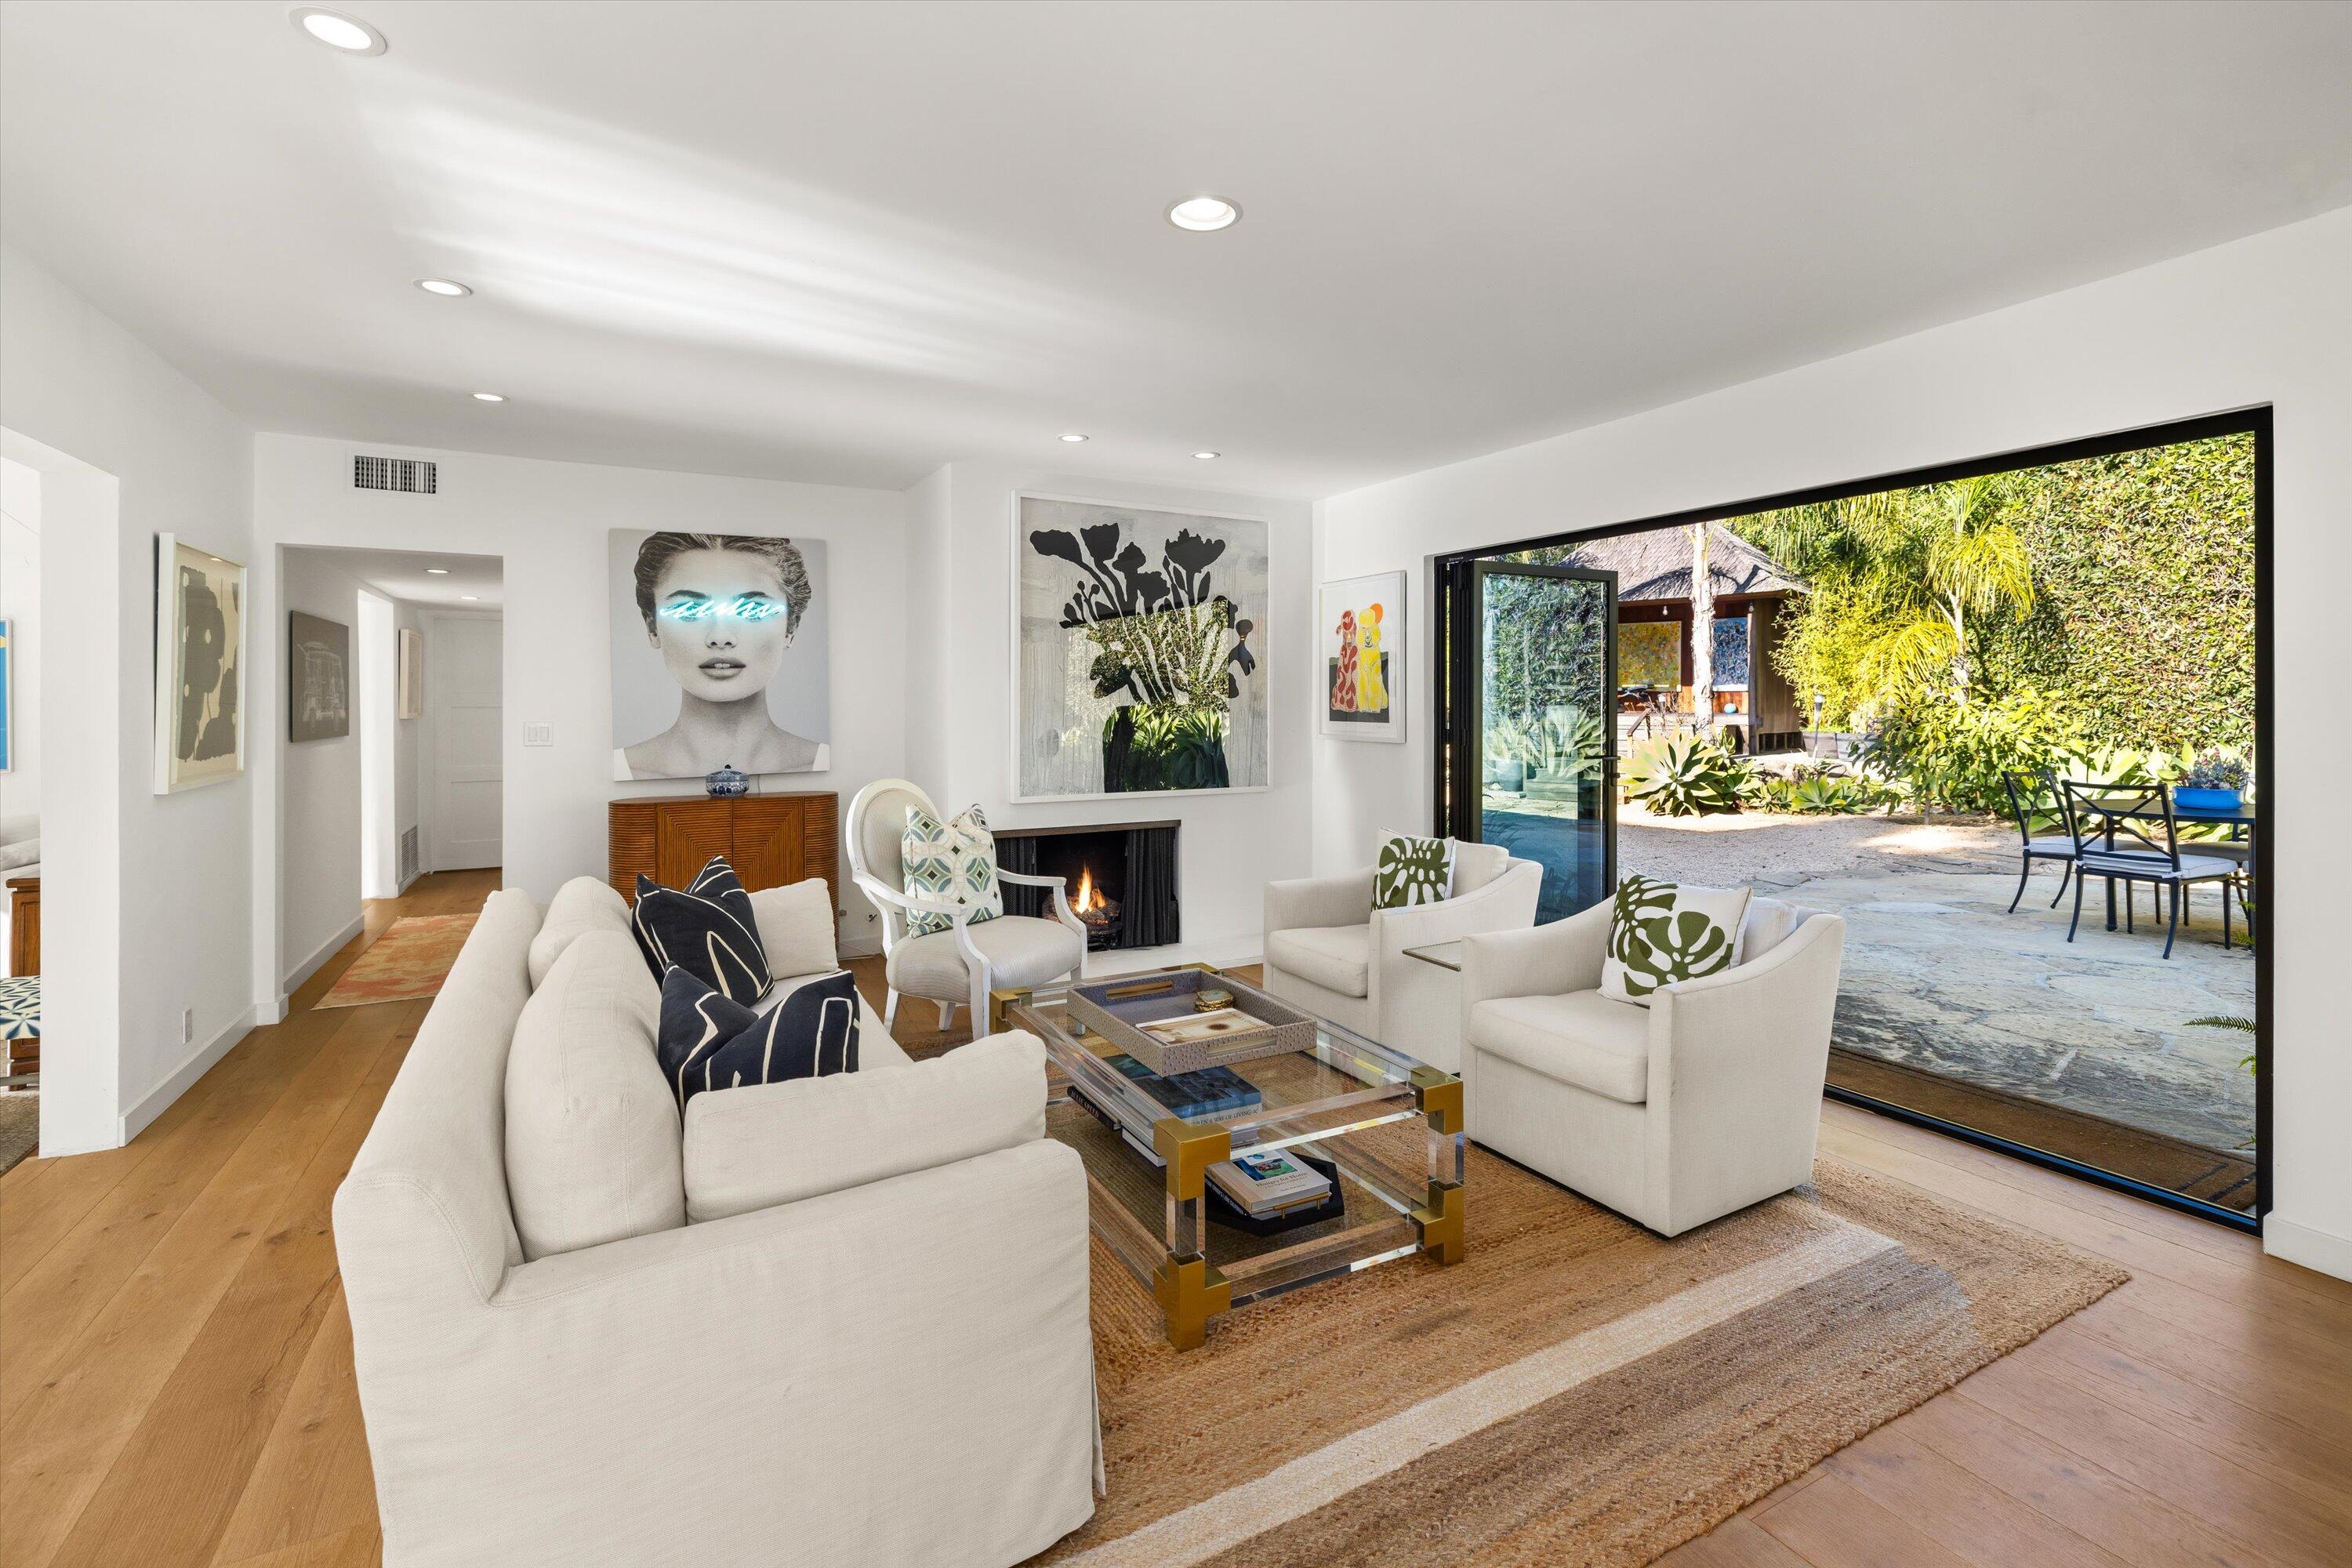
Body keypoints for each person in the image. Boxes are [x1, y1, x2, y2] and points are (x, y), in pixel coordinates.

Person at [613, 532, 829, 781]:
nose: (720, 637)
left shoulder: (822, 763)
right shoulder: (624, 768)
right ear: (652, 627)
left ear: (791, 628)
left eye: (752, 609)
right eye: (690, 609)